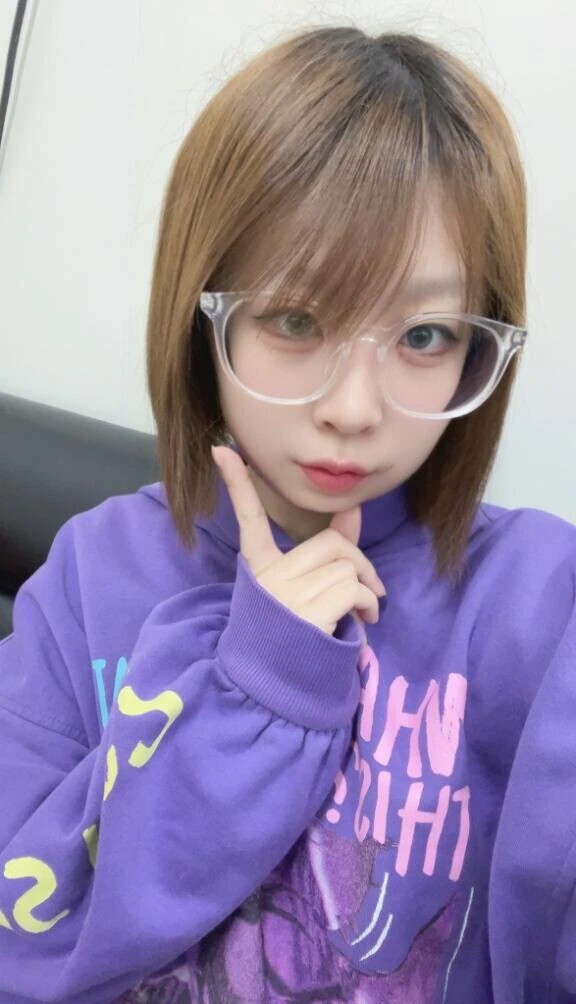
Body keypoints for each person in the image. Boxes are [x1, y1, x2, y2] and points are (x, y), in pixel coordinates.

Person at [0, 23, 574, 1004]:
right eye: (296, 319)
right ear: (202, 316)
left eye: (424, 335)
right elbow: (22, 931)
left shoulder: (539, 604)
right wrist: (257, 694)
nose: (353, 408)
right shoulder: (94, 573)